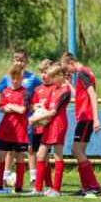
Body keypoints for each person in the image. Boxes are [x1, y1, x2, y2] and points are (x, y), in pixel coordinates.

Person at [0, 49, 42, 185]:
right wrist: (2, 103)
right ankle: (5, 176)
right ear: (13, 61)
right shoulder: (7, 77)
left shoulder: (32, 78)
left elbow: (41, 90)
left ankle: (33, 177)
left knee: (30, 148)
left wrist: (35, 105)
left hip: (27, 120)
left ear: (26, 61)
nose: (19, 62)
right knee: (9, 150)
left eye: (22, 59)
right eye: (16, 59)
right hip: (11, 121)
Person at [61, 52, 101, 196]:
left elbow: (93, 94)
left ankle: (93, 185)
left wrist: (96, 118)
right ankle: (87, 187)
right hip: (85, 117)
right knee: (80, 152)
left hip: (87, 117)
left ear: (71, 62)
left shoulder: (82, 73)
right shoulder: (83, 73)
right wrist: (67, 84)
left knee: (76, 150)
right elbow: (79, 94)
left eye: (66, 68)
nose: (67, 72)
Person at [28, 63, 71, 197]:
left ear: (60, 76)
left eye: (53, 77)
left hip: (58, 125)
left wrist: (34, 120)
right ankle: (38, 189)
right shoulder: (54, 89)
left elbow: (53, 112)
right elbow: (45, 108)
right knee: (41, 155)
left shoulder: (65, 92)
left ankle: (56, 190)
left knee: (58, 155)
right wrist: (38, 112)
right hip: (49, 125)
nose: (51, 80)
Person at [0, 63, 30, 194]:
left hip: (20, 131)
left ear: (22, 78)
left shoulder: (25, 92)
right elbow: (2, 108)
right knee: (0, 157)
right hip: (6, 129)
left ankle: (19, 186)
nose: (15, 81)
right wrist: (10, 107)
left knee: (20, 157)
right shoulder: (6, 91)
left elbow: (22, 110)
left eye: (18, 78)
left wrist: (10, 106)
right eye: (13, 78)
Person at [29, 59, 56, 191]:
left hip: (49, 128)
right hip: (37, 128)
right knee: (40, 156)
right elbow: (32, 104)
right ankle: (46, 185)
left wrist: (44, 111)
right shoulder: (37, 89)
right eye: (41, 72)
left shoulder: (55, 89)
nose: (43, 75)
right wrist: (35, 107)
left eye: (45, 72)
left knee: (43, 156)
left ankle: (43, 186)